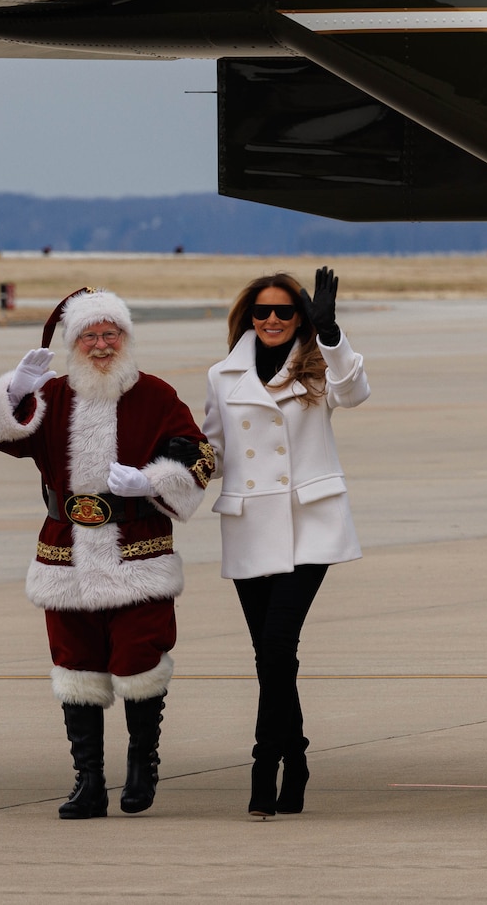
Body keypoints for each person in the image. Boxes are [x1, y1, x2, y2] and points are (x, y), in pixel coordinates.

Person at [0, 288, 214, 819]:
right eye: (90, 335)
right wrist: (15, 391)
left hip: (137, 551)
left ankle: (141, 764)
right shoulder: (54, 395)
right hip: (65, 553)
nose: (102, 345)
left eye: (111, 334)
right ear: (73, 344)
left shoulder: (155, 394)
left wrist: (153, 481)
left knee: (139, 660)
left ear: (126, 339)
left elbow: (199, 455)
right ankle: (87, 780)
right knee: (75, 667)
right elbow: (4, 436)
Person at [202, 267, 369, 819]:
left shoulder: (321, 367)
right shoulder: (222, 376)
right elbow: (215, 449)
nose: (272, 320)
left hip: (309, 526)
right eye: (262, 312)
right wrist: (168, 471)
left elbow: (357, 392)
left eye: (284, 312)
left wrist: (331, 334)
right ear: (248, 318)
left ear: (300, 316)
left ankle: (263, 765)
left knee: (276, 648)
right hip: (250, 525)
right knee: (272, 658)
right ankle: (295, 758)